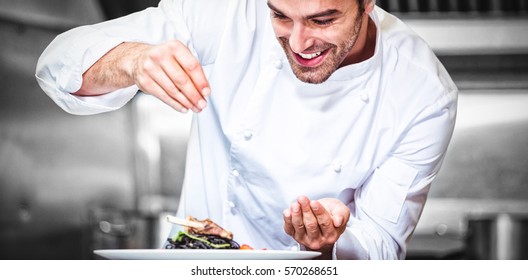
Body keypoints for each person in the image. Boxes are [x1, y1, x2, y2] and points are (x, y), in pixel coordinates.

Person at [36, 0, 457, 259]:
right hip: (197, 263)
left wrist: (331, 242)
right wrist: (131, 59)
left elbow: (382, 245)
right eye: (280, 15)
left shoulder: (420, 90)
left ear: (368, 3)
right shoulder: (223, 10)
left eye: (323, 20)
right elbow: (57, 65)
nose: (298, 43)